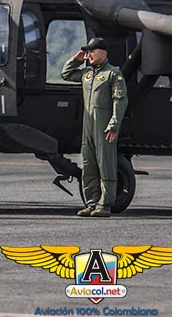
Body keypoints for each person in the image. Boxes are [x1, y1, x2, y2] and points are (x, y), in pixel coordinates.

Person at [61, 37, 128, 217]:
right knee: (88, 164)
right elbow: (66, 74)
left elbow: (120, 101)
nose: (89, 54)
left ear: (103, 53)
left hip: (103, 127)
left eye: (92, 51)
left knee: (105, 164)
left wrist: (113, 125)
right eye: (87, 51)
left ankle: (104, 205)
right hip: (88, 126)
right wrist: (77, 58)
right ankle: (91, 203)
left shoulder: (113, 74)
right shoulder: (87, 74)